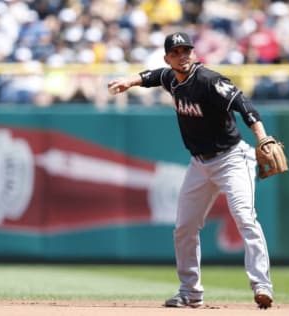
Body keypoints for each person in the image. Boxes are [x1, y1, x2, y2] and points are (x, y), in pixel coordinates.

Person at [107, 32, 274, 309]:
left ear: (194, 53)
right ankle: (190, 293)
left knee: (245, 218)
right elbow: (153, 76)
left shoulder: (209, 80)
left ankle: (262, 285)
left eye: (187, 50)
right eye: (176, 52)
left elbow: (245, 106)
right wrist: (129, 81)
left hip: (232, 158)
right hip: (199, 164)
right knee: (184, 228)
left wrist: (262, 137)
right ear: (168, 58)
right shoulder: (171, 78)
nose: (183, 56)